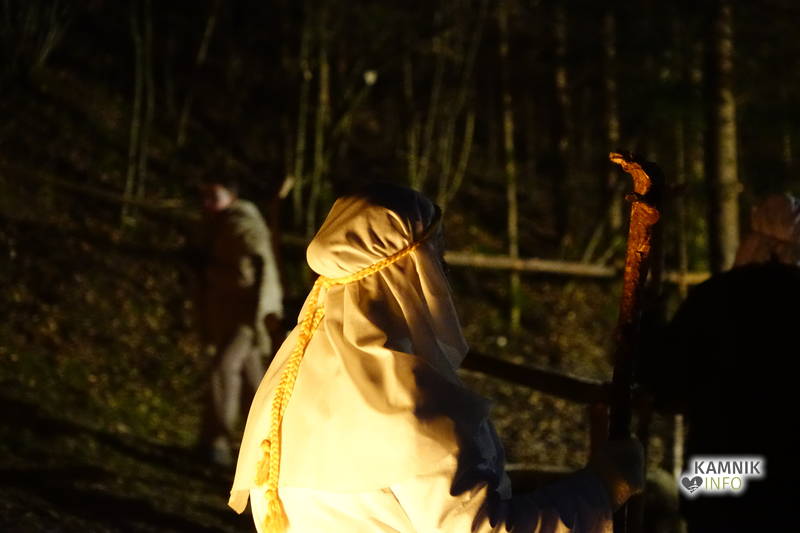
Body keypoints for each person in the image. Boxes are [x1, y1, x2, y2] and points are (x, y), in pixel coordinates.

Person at [229, 183, 642, 532]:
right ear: (408, 274)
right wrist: (602, 489)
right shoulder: (407, 405)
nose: (443, 275)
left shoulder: (292, 386)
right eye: (435, 259)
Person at [195, 176, 283, 466]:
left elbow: (258, 269)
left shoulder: (243, 225)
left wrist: (263, 314)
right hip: (231, 312)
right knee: (252, 378)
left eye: (214, 195)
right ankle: (266, 443)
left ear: (230, 195)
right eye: (205, 195)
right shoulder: (220, 224)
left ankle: (217, 442)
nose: (207, 202)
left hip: (248, 316)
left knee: (224, 367)